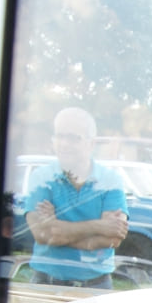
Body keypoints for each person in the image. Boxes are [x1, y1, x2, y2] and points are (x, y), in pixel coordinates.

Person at [24, 107, 129, 290]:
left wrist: (57, 230)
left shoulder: (111, 181)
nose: (64, 143)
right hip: (46, 285)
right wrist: (98, 226)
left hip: (96, 287)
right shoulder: (41, 179)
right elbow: (42, 234)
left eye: (73, 138)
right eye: (60, 136)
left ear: (91, 143)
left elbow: (113, 239)